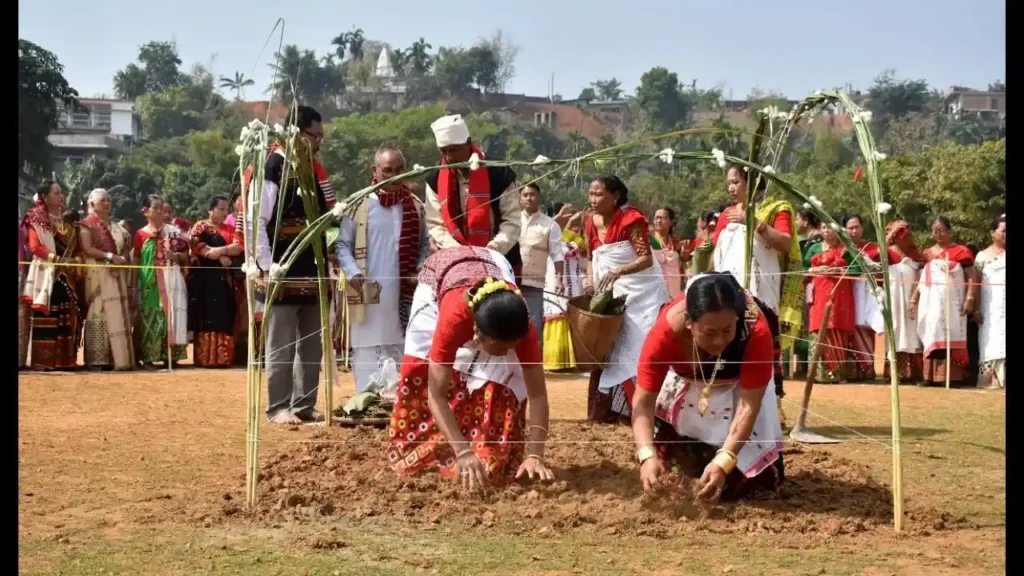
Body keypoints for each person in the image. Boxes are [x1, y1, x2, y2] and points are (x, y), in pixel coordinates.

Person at [386, 246, 554, 490]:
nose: (508, 352)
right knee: (420, 371)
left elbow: (537, 393)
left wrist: (535, 454)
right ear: (477, 333)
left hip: (493, 266)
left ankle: (491, 445)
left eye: (512, 346)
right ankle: (425, 449)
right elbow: (436, 394)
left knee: (508, 376)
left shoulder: (522, 326)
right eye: (500, 347)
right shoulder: (453, 321)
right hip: (440, 280)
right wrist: (463, 452)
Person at [630, 272, 785, 501]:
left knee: (745, 487)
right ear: (689, 322)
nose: (719, 342)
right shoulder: (664, 335)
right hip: (690, 391)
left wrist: (724, 462)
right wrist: (646, 455)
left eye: (727, 331)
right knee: (673, 475)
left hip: (740, 391)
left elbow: (748, 406)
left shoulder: (755, 332)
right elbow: (643, 404)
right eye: (709, 333)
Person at [248, 105, 333, 424]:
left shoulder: (310, 169)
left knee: (312, 345)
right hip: (282, 272)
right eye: (316, 135)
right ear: (297, 133)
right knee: (280, 343)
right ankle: (278, 407)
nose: (319, 142)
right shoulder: (272, 167)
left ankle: (304, 405)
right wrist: (268, 268)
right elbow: (257, 221)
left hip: (313, 272)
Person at [712, 165, 801, 420]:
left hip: (761, 292)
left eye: (736, 181)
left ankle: (769, 411)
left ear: (752, 182)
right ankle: (728, 411)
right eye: (729, 182)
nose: (730, 187)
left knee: (760, 345)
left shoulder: (776, 208)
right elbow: (718, 255)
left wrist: (755, 224)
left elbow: (784, 242)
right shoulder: (726, 214)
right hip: (728, 294)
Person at [336, 146, 428, 393]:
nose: (394, 176)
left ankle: (397, 404)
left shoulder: (415, 206)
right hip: (366, 288)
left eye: (399, 170)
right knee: (367, 345)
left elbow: (424, 245)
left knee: (402, 344)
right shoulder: (359, 204)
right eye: (388, 171)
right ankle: (366, 401)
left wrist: (419, 269)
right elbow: (342, 244)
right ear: (374, 171)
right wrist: (354, 273)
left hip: (404, 293)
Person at [582, 175, 670, 423]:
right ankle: (607, 411)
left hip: (641, 295)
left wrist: (618, 271)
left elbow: (646, 259)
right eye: (591, 194)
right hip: (608, 294)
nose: (593, 199)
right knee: (609, 347)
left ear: (615, 197)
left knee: (640, 347)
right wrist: (590, 283)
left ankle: (638, 412)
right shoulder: (590, 221)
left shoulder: (631, 219)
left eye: (599, 194)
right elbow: (592, 257)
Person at [424, 114, 523, 276]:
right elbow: (436, 224)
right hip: (455, 262)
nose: (449, 157)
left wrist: (491, 250)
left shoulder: (499, 172)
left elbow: (512, 220)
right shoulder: (434, 179)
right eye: (444, 151)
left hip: (500, 260)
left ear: (468, 143)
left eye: (454, 150)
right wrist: (460, 253)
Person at [22, 182, 84, 371]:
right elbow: (35, 247)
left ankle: (65, 360)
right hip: (47, 274)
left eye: (62, 193)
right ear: (45, 197)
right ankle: (44, 361)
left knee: (67, 313)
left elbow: (78, 249)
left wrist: (77, 262)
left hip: (68, 276)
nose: (62, 196)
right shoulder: (36, 220)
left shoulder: (70, 225)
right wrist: (58, 260)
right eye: (56, 193)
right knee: (48, 313)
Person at [910, 216, 977, 387]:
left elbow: (971, 276)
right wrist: (914, 299)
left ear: (949, 231)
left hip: (953, 302)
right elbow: (921, 278)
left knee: (952, 333)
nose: (938, 234)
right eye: (934, 231)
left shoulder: (961, 251)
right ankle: (930, 377)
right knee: (932, 332)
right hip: (932, 303)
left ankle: (953, 377)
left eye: (941, 230)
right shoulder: (927, 254)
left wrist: (970, 298)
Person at [79, 188, 136, 370]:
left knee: (118, 314)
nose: (107, 203)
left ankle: (118, 359)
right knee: (99, 312)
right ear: (91, 203)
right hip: (97, 276)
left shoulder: (116, 227)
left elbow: (126, 247)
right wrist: (110, 257)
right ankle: (98, 359)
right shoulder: (86, 225)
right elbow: (87, 249)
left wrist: (124, 257)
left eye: (108, 200)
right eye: (102, 200)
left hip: (117, 276)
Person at [187, 195, 243, 367]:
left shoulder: (231, 229)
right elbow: (195, 245)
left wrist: (218, 252)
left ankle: (222, 357)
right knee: (206, 316)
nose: (225, 212)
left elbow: (238, 247)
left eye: (227, 209)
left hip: (224, 281)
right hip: (204, 281)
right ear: (210, 210)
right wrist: (218, 257)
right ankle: (205, 358)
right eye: (221, 209)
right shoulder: (201, 226)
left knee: (224, 314)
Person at [134, 195, 189, 368]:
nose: (160, 211)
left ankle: (170, 356)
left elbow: (186, 255)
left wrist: (174, 256)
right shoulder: (140, 234)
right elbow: (136, 259)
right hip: (149, 281)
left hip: (171, 279)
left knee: (171, 314)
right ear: (145, 211)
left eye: (161, 207)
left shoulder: (173, 232)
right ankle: (150, 356)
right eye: (155, 207)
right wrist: (133, 284)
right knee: (151, 314)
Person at [804, 223, 859, 383]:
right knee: (819, 326)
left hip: (840, 295)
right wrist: (813, 270)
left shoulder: (846, 249)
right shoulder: (814, 249)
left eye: (830, 227)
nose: (827, 230)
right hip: (819, 294)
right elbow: (802, 267)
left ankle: (838, 374)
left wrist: (841, 270)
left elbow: (857, 268)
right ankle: (818, 374)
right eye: (823, 227)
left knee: (838, 327)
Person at [518, 182, 566, 341]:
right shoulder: (511, 222)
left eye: (532, 195)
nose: (528, 198)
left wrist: (559, 279)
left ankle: (534, 364)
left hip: (534, 285)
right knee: (508, 325)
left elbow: (557, 253)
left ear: (539, 199)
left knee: (533, 328)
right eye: (525, 195)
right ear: (520, 199)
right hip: (510, 282)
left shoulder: (550, 225)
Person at [543, 209, 587, 371]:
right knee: (557, 316)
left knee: (571, 319)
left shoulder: (574, 244)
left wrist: (578, 223)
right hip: (554, 285)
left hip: (574, 288)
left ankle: (572, 362)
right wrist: (567, 223)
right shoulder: (550, 242)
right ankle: (554, 361)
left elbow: (582, 248)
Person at [844, 214, 885, 382]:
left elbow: (883, 269)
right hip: (848, 291)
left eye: (856, 227)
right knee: (850, 327)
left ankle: (868, 369)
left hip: (868, 291)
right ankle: (852, 371)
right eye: (850, 228)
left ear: (862, 228)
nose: (854, 231)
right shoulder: (842, 248)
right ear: (844, 230)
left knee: (866, 326)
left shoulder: (873, 247)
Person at [883, 220, 924, 383]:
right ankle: (894, 372)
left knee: (912, 332)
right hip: (893, 297)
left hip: (911, 297)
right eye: (904, 237)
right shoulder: (888, 252)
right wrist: (891, 232)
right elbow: (877, 254)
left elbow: (919, 276)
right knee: (895, 329)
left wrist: (914, 297)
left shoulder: (915, 254)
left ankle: (912, 373)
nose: (909, 240)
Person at [974, 215, 1005, 389]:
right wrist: (976, 308)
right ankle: (990, 380)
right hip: (989, 308)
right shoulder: (982, 256)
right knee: (990, 341)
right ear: (993, 233)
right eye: (1004, 231)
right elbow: (976, 284)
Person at [651, 207, 685, 297]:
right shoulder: (649, 240)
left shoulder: (676, 242)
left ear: (671, 222)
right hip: (655, 289)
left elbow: (682, 266)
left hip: (674, 288)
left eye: (662, 218)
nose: (658, 221)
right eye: (656, 218)